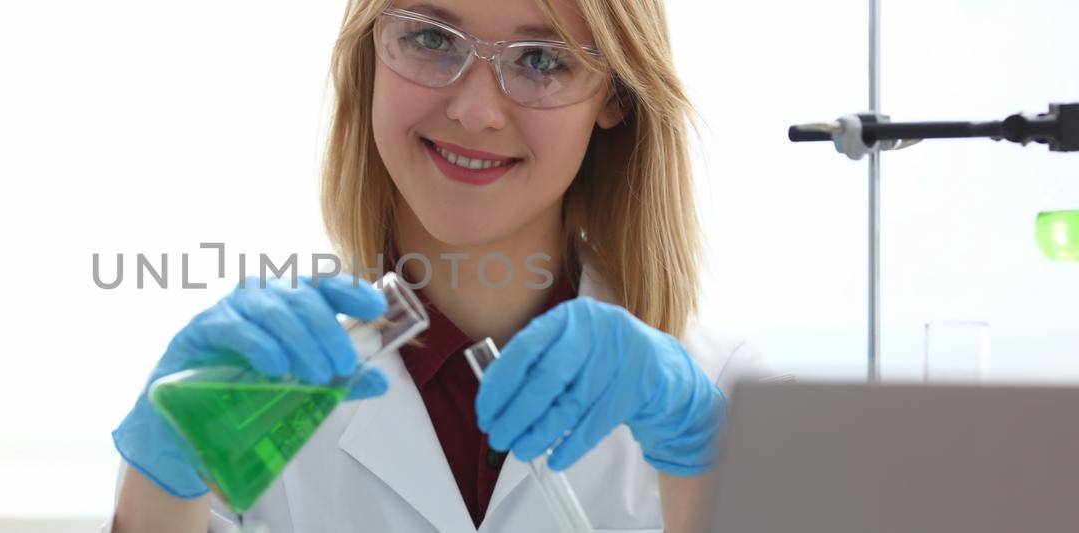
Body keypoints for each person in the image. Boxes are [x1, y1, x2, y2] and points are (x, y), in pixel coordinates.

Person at [107, 0, 774, 530]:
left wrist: (711, 469)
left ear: (616, 96)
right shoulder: (252, 397)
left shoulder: (717, 401)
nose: (474, 111)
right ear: (373, 52)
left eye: (541, 58)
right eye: (431, 39)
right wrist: (156, 498)